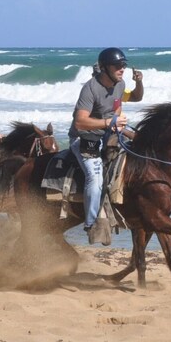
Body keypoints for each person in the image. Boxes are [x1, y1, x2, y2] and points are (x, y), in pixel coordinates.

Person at [68, 47, 144, 243]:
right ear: (104, 68)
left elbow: (124, 106)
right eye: (118, 66)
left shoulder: (120, 85)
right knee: (95, 178)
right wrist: (109, 124)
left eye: (124, 65)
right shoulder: (90, 89)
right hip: (84, 139)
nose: (122, 69)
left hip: (108, 134)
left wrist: (139, 83)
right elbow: (80, 122)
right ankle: (92, 223)